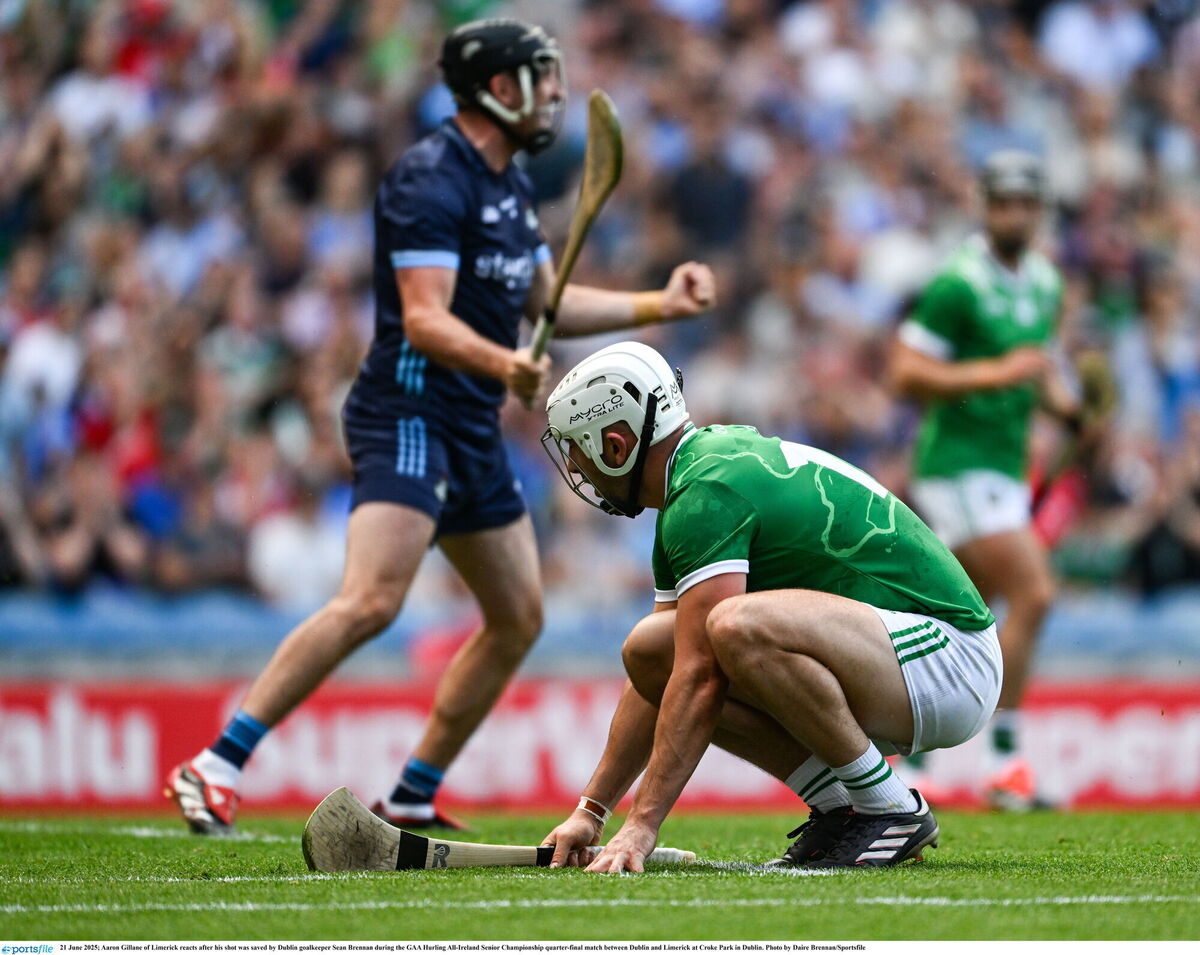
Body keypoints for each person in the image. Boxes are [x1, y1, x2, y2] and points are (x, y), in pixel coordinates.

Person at [165, 19, 716, 835]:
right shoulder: (430, 180)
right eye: (543, 77)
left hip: (469, 425)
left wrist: (655, 304)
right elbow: (423, 319)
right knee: (371, 600)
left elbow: (543, 305)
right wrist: (503, 365)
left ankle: (414, 790)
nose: (557, 93)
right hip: (409, 412)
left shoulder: (509, 187)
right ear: (499, 88)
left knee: (518, 613)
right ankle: (216, 763)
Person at [538, 341, 1000, 871]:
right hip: (903, 654)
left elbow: (698, 676)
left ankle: (889, 808)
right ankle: (842, 806)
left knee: (733, 626)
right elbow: (663, 674)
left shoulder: (705, 493)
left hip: (952, 660)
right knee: (649, 650)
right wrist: (591, 812)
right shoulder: (692, 485)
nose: (574, 467)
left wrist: (641, 826)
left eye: (577, 449)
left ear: (615, 447)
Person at [887, 150, 1081, 810]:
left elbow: (1040, 366)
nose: (1016, 214)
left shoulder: (1047, 283)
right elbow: (905, 372)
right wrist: (992, 374)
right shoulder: (957, 284)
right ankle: (1004, 761)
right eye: (1005, 201)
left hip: (1004, 466)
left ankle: (911, 758)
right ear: (986, 205)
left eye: (1028, 203)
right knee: (1035, 593)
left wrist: (1068, 407)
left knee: (956, 611)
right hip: (955, 464)